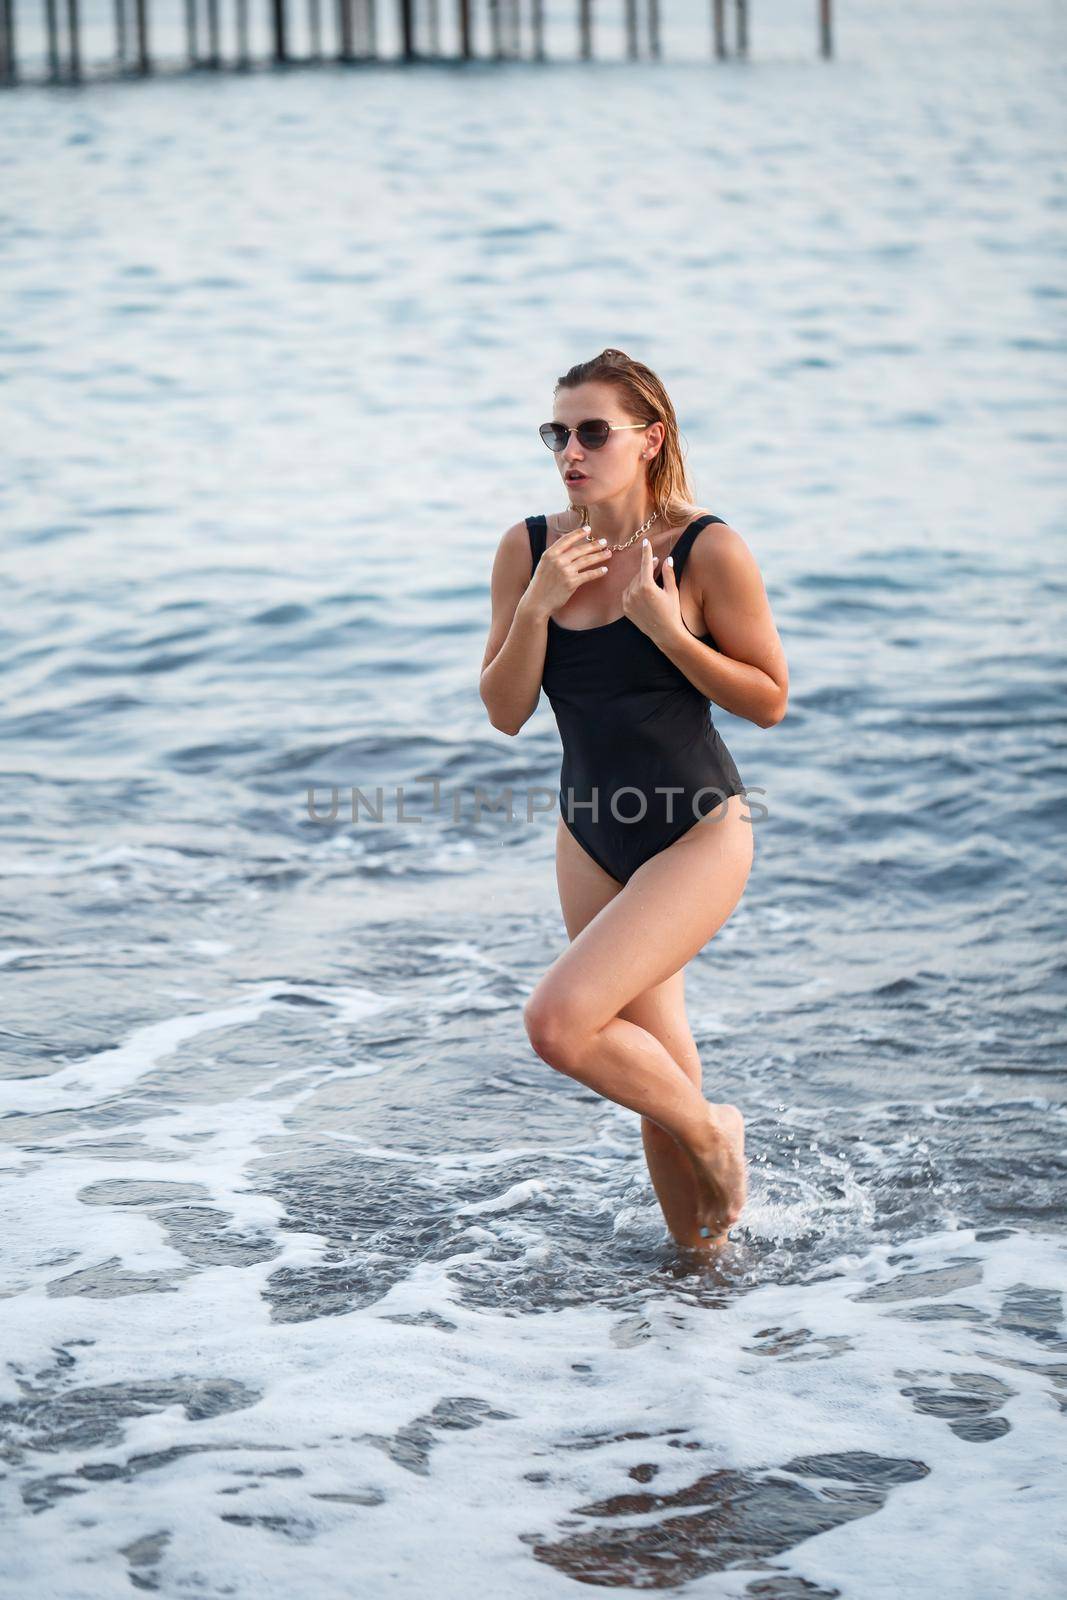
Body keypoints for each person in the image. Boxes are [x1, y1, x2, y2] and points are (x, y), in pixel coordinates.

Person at [478, 348, 788, 1250]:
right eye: (557, 433)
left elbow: (767, 700)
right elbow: (504, 714)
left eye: (592, 432)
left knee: (559, 1024)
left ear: (648, 439)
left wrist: (665, 630)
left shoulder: (705, 548)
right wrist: (536, 607)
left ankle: (712, 1132)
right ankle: (700, 1272)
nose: (570, 451)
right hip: (591, 836)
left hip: (697, 832)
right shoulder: (528, 550)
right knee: (653, 1066)